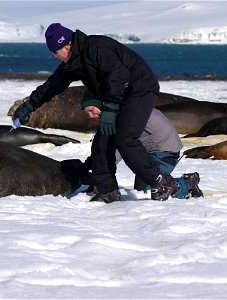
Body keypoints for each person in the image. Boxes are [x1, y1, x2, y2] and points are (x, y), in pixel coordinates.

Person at [12, 23, 182, 202]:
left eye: (55, 52)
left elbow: (118, 77)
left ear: (66, 46)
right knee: (101, 144)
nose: (55, 57)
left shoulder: (98, 47)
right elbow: (52, 85)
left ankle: (161, 181)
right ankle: (107, 190)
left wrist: (110, 109)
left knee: (125, 139)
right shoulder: (73, 63)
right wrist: (30, 106)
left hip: (140, 88)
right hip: (120, 94)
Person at [82, 106, 203, 201]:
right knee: (139, 190)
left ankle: (187, 184)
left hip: (165, 151)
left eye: (92, 110)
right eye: (87, 111)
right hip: (147, 152)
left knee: (150, 190)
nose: (90, 115)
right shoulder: (119, 109)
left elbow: (114, 150)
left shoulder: (121, 116)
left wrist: (101, 177)